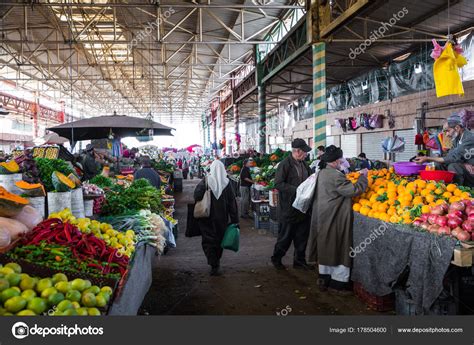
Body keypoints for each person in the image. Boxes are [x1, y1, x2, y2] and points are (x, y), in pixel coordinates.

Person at [307, 146, 368, 295]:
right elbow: (353, 191)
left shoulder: (322, 172)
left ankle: (323, 279)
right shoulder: (336, 176)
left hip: (323, 214)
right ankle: (338, 285)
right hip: (335, 216)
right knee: (339, 247)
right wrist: (363, 177)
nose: (341, 161)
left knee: (326, 245)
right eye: (340, 159)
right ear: (335, 161)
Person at [271, 138, 313, 271]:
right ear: (297, 151)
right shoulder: (285, 164)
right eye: (305, 151)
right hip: (289, 208)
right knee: (285, 237)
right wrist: (297, 190)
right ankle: (276, 258)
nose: (306, 154)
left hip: (303, 208)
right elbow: (278, 184)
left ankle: (299, 261)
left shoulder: (304, 164)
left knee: (302, 236)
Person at [194, 160, 239, 276]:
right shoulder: (227, 183)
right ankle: (216, 262)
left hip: (207, 218)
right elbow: (232, 203)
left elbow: (197, 195)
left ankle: (212, 262)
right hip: (222, 219)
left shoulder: (206, 181)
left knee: (208, 241)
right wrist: (235, 220)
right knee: (219, 240)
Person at [414, 114, 474, 186]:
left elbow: (454, 157)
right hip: (464, 166)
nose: (447, 134)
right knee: (438, 164)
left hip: (472, 171)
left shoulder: (470, 138)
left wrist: (428, 158)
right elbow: (450, 155)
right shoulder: (456, 139)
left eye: (447, 131)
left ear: (457, 128)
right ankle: (441, 187)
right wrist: (463, 164)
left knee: (454, 166)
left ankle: (458, 190)